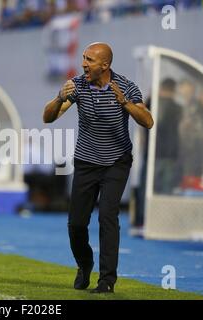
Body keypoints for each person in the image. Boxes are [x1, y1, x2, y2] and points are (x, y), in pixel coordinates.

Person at [43, 42, 153, 293]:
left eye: (89, 60)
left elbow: (147, 121)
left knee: (107, 217)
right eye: (83, 58)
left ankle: (106, 281)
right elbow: (48, 118)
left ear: (105, 65)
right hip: (86, 162)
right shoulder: (78, 85)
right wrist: (60, 97)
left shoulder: (126, 86)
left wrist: (125, 102)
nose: (83, 63)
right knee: (77, 225)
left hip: (117, 161)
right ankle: (85, 264)